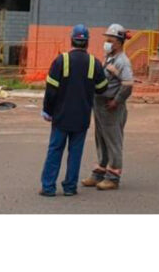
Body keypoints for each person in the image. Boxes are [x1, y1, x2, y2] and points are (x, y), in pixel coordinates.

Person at [39, 23, 110, 197]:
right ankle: (70, 187)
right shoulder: (94, 63)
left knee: (55, 151)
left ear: (71, 39)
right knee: (75, 154)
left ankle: (48, 187)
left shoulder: (61, 60)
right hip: (81, 117)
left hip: (61, 116)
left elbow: (51, 90)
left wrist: (47, 110)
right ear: (87, 42)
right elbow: (102, 88)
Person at [85, 24, 135, 190]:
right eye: (106, 40)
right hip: (100, 105)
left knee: (113, 141)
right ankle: (99, 173)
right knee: (101, 139)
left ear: (119, 42)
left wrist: (116, 101)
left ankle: (113, 178)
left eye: (110, 40)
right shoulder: (109, 57)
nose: (106, 43)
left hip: (111, 106)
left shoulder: (122, 62)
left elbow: (127, 85)